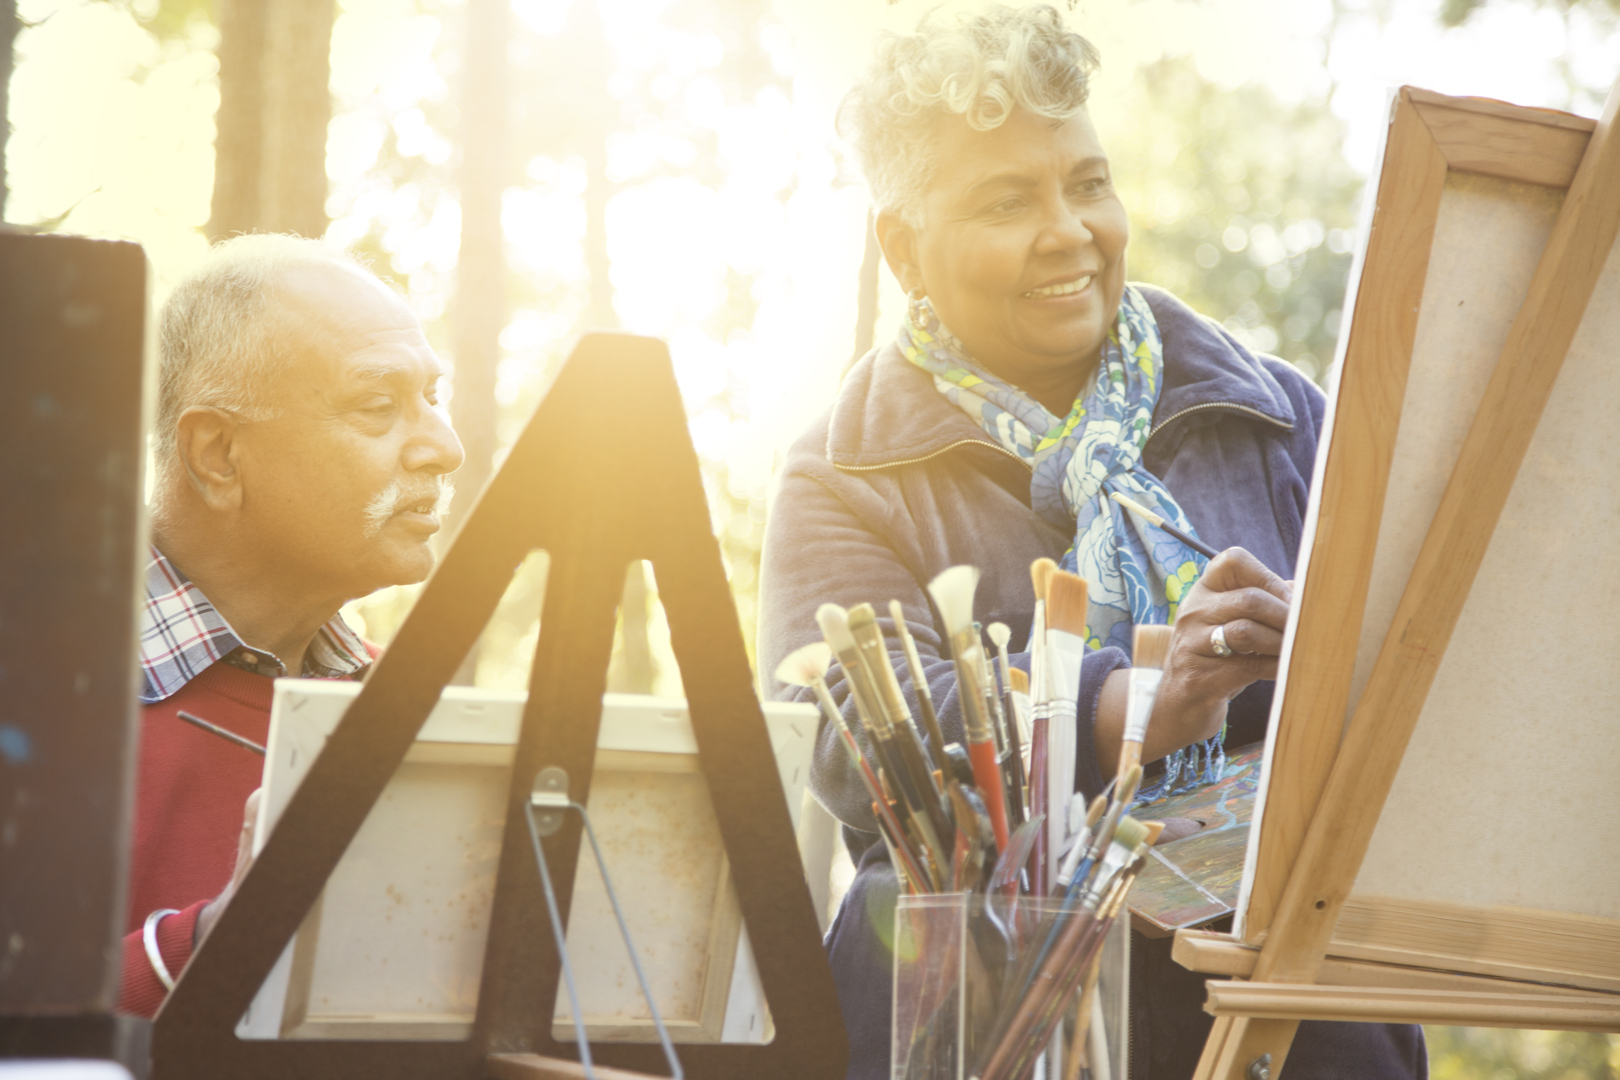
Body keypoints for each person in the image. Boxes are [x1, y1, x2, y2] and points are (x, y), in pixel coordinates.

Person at [757, 7, 1426, 1079]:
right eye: (1007, 201)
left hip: (1284, 1006)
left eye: (1088, 183)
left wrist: (1343, 653)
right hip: (975, 1006)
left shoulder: (1285, 421)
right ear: (903, 247)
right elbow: (847, 736)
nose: (1069, 229)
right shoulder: (845, 473)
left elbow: (1433, 683)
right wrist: (1130, 708)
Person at [117, 234, 464, 1016]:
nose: (445, 448)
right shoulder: (34, 692)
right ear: (218, 454)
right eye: (377, 407)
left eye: (432, 399)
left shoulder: (412, 712)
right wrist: (210, 945)